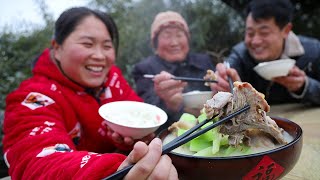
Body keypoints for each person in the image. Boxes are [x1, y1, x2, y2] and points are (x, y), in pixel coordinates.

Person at [2, 7, 178, 179]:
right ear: (57, 48)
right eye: (87, 44)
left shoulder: (112, 78)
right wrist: (118, 170)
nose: (100, 56)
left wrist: (131, 139)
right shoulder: (35, 97)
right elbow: (38, 162)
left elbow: (141, 114)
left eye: (107, 46)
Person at [212, 0, 320, 105]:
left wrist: (305, 85)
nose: (255, 41)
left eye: (264, 33)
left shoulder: (313, 52)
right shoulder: (240, 55)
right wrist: (222, 82)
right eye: (250, 33)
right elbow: (226, 72)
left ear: (286, 30)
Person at [132, 11, 216, 130]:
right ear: (155, 44)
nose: (174, 42)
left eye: (179, 35)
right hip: (167, 137)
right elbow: (145, 110)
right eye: (167, 36)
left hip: (210, 128)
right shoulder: (145, 69)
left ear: (187, 39)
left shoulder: (203, 61)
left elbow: (218, 94)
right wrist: (169, 104)